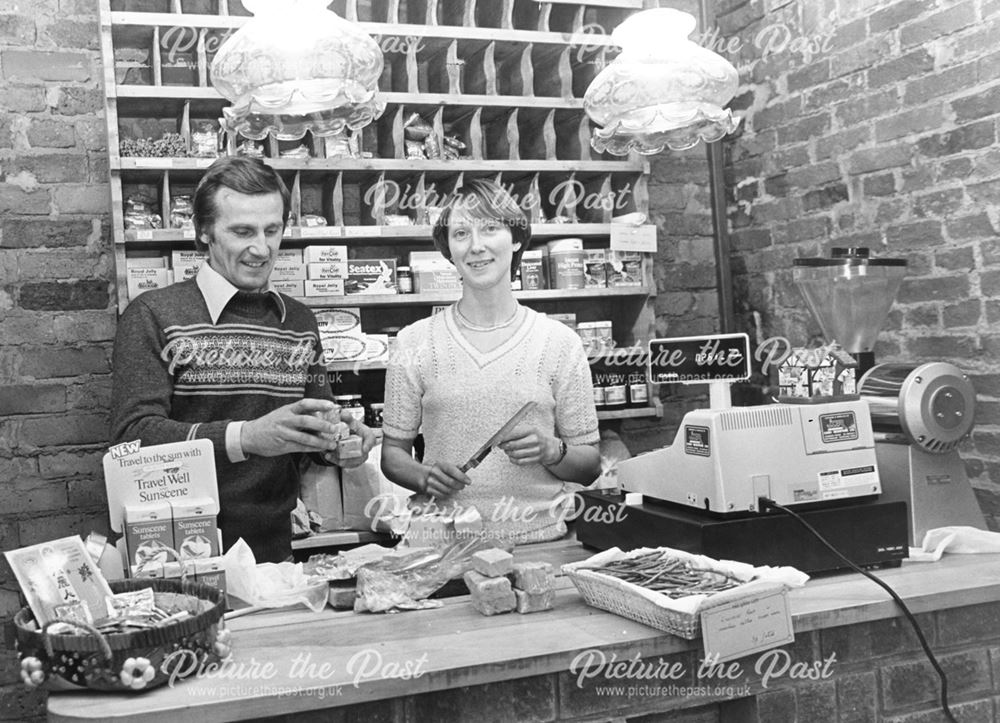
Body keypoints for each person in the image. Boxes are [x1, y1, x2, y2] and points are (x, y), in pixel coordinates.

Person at [110, 156, 375, 562]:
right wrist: (246, 437)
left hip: (276, 555)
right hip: (177, 555)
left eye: (272, 230)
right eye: (242, 232)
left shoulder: (298, 320)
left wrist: (339, 443)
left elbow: (307, 438)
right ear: (204, 233)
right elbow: (133, 436)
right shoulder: (153, 314)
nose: (261, 248)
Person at [380, 179, 601, 544]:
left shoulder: (560, 343)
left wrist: (553, 451)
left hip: (539, 543)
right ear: (448, 250)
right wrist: (423, 477)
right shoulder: (414, 342)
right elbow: (393, 455)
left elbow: (590, 467)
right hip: (443, 547)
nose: (476, 245)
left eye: (490, 228)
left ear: (515, 239)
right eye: (461, 233)